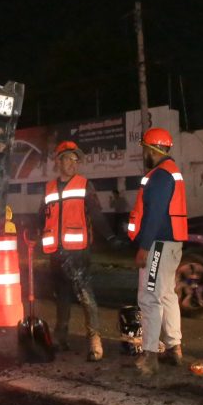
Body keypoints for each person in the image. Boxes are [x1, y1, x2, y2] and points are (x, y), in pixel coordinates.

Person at [37, 141, 119, 361]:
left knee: (85, 296)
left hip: (78, 252)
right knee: (61, 297)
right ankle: (60, 338)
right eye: (69, 159)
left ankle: (95, 342)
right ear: (59, 161)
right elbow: (42, 215)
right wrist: (31, 235)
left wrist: (110, 237)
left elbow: (97, 214)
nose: (74, 163)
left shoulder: (84, 185)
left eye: (76, 160)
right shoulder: (49, 187)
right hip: (56, 252)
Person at [127, 127, 187, 376]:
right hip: (171, 244)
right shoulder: (171, 173)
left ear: (153, 149)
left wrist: (143, 247)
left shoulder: (160, 176)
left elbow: (153, 216)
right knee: (166, 296)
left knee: (150, 298)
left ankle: (150, 356)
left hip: (159, 245)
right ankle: (174, 348)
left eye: (145, 149)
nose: (144, 153)